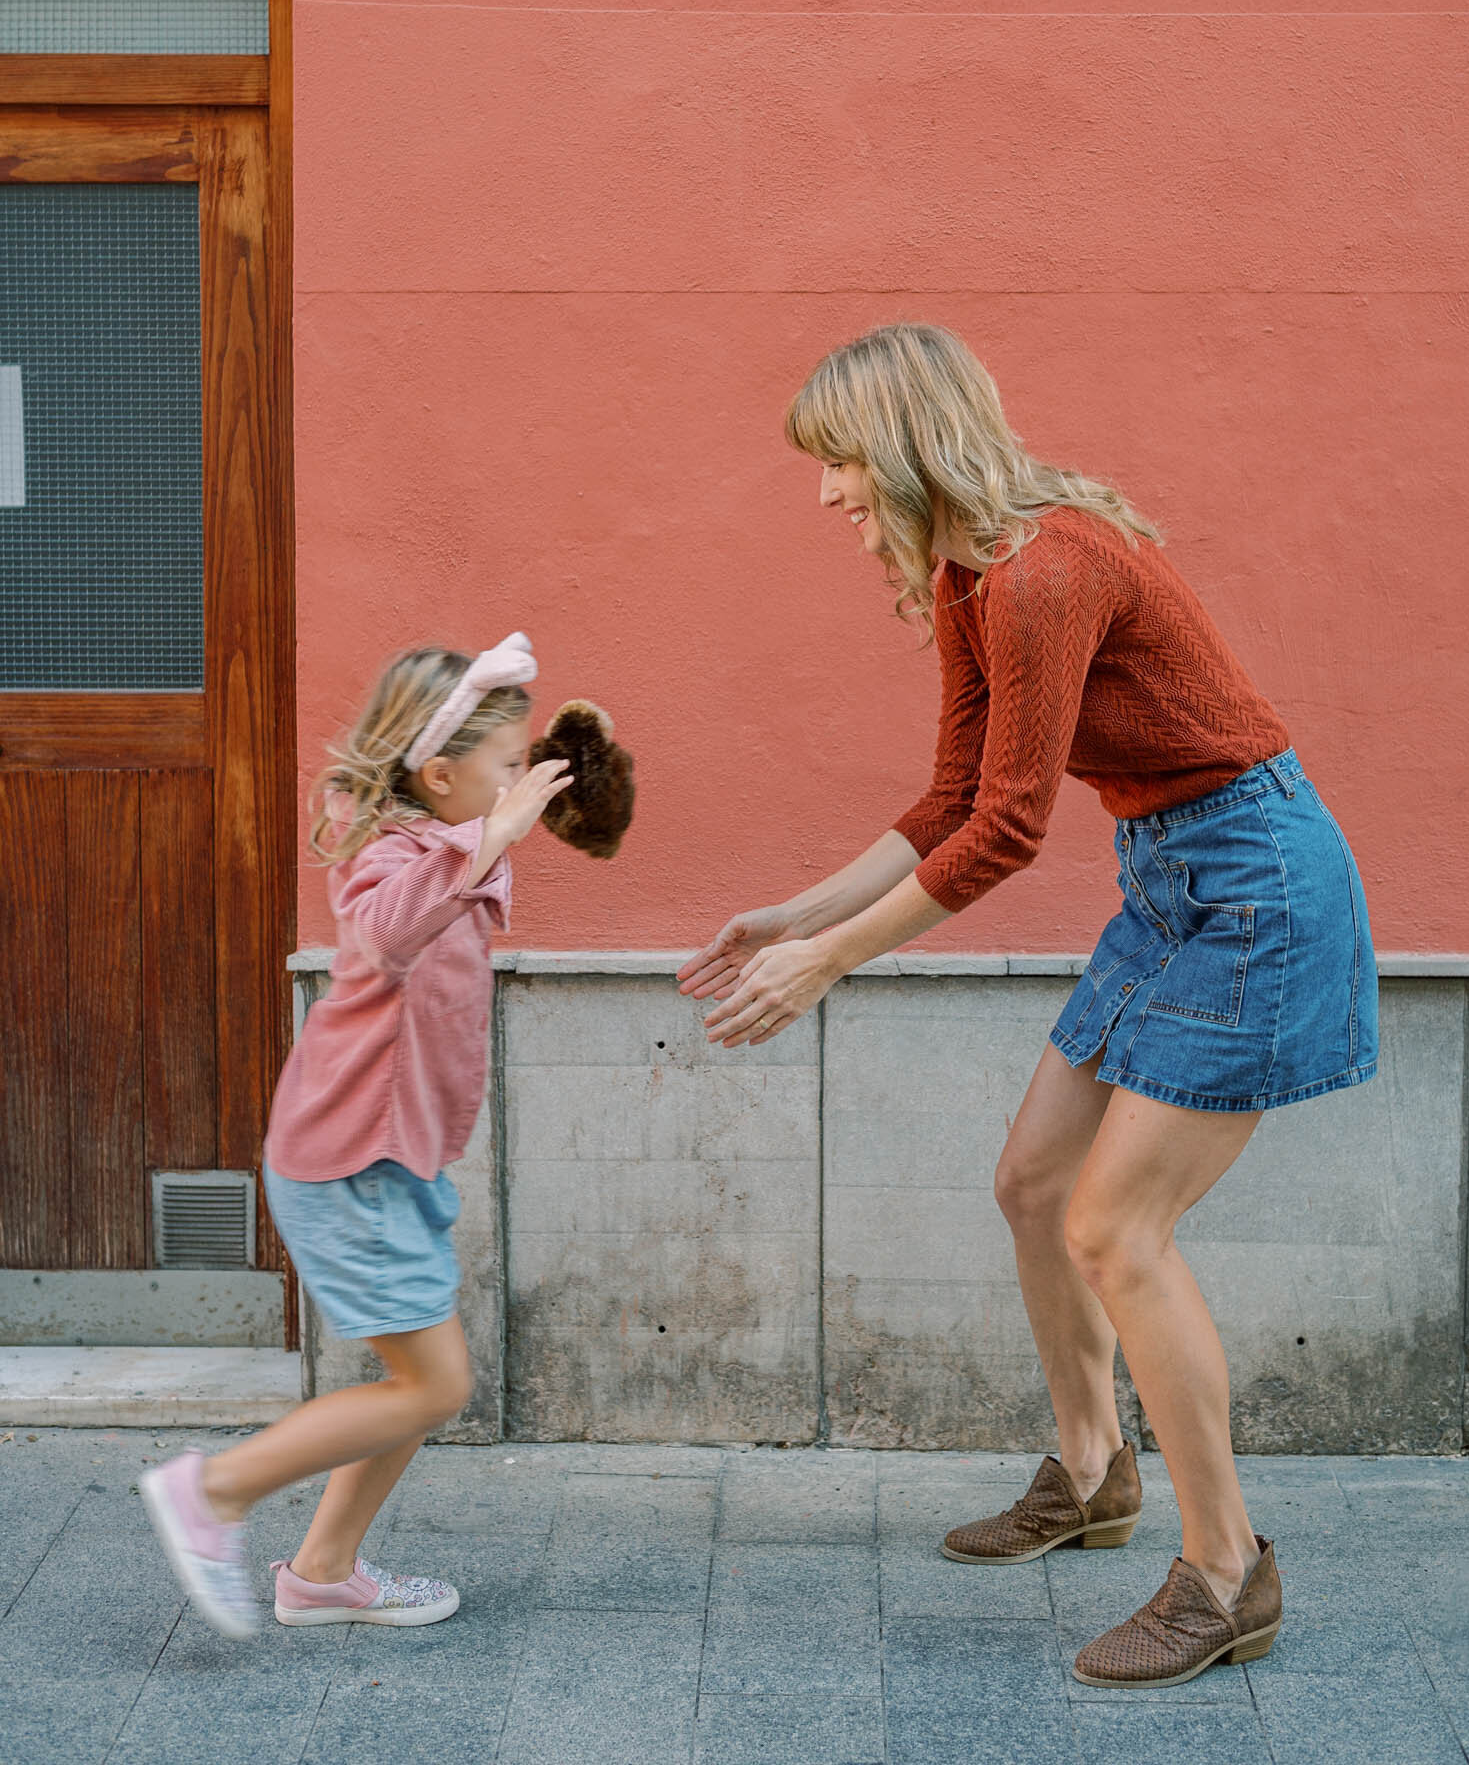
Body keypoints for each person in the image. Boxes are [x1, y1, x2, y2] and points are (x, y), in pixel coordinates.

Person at [680, 324, 1376, 1690]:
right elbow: (947, 801)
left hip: (1256, 883)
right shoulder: (966, 573)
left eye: (834, 465)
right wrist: (801, 917)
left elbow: (1003, 835)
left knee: (1118, 1227)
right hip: (1171, 877)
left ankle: (1226, 1572)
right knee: (1031, 1181)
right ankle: (1091, 1471)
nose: (824, 496)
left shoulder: (1045, 570)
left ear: (898, 444)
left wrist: (830, 968)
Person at [140, 635, 571, 1639]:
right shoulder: (397, 855)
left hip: (392, 1160)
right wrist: (494, 833)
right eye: (506, 766)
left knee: (416, 1386)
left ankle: (323, 1572)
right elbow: (383, 935)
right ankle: (214, 1491)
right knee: (437, 1383)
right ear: (440, 773)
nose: (518, 786)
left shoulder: (437, 847)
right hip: (350, 1165)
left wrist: (498, 825)